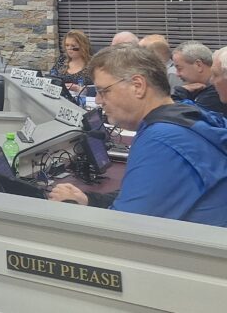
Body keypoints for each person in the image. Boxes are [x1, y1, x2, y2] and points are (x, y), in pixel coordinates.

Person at [48, 44, 227, 227]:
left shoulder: (160, 141)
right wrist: (90, 200)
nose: (99, 100)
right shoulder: (189, 114)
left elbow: (125, 228)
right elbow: (150, 196)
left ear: (138, 86)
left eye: (104, 91)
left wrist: (71, 209)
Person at [170, 41, 227, 114]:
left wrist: (180, 93)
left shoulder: (215, 94)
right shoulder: (201, 91)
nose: (177, 74)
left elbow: (176, 116)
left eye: (179, 68)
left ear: (198, 65)